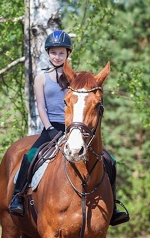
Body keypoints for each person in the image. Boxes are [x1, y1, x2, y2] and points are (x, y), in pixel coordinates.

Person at [8, 30, 129, 226]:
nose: (57, 56)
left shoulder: (74, 78)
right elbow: (40, 106)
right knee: (29, 156)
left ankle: (112, 207)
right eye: (54, 52)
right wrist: (49, 128)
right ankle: (17, 197)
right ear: (48, 53)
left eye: (61, 53)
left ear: (68, 54)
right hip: (51, 128)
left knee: (110, 159)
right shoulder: (41, 78)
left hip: (74, 127)